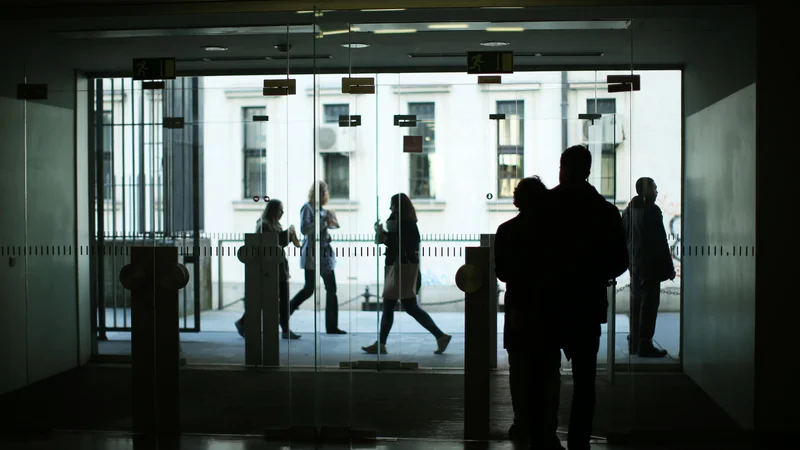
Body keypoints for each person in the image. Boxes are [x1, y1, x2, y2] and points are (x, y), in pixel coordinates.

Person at [546, 145, 629, 450]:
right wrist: (596, 273)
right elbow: (620, 261)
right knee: (584, 381)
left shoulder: (547, 205)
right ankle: (579, 441)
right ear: (589, 171)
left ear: (564, 170)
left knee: (546, 375)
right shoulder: (605, 211)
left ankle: (547, 435)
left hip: (550, 303)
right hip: (587, 303)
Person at [494, 176, 553, 445]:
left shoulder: (506, 231)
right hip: (548, 307)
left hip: (518, 306)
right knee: (548, 369)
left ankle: (522, 421)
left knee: (519, 369)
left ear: (517, 199)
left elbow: (503, 272)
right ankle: (547, 426)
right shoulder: (555, 231)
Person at [362, 193, 452, 355]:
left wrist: (382, 235)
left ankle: (382, 344)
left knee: (394, 305)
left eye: (392, 204)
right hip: (402, 268)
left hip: (399, 269)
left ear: (398, 206)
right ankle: (439, 336)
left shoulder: (402, 222)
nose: (390, 208)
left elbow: (397, 243)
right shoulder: (407, 221)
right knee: (408, 307)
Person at [621, 177, 675, 358]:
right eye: (654, 187)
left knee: (636, 305)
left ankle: (635, 342)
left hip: (634, 265)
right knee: (650, 306)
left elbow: (624, 238)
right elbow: (660, 241)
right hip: (650, 267)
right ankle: (645, 343)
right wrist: (669, 267)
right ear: (645, 190)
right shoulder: (651, 210)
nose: (657, 190)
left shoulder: (628, 211)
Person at [235, 199, 301, 340]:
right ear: (272, 210)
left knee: (282, 300)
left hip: (279, 269)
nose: (282, 212)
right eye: (279, 209)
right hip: (270, 270)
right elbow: (272, 244)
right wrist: (287, 234)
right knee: (265, 300)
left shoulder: (274, 224)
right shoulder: (264, 225)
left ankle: (285, 329)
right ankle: (243, 322)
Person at [289, 181, 347, 334]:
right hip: (313, 254)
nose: (323, 195)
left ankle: (332, 326)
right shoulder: (307, 208)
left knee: (331, 288)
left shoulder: (322, 210)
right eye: (321, 192)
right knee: (309, 289)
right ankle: (284, 314)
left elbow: (330, 226)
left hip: (324, 254)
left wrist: (331, 220)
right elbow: (304, 229)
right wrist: (323, 221)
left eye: (325, 192)